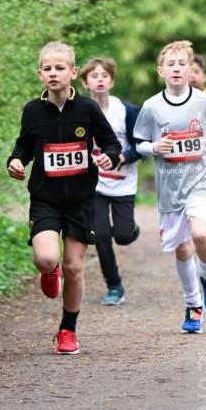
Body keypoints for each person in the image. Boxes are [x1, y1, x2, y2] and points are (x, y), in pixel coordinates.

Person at [7, 41, 122, 354]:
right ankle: (49, 270)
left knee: (74, 268)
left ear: (73, 73)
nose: (53, 73)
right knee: (47, 258)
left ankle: (68, 330)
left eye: (60, 68)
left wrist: (109, 158)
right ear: (40, 75)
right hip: (46, 198)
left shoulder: (87, 109)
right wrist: (15, 162)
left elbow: (112, 144)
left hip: (81, 200)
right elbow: (24, 147)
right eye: (48, 68)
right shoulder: (32, 110)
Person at [133, 40, 206, 334]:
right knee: (181, 249)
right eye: (171, 64)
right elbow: (138, 142)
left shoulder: (205, 102)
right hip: (169, 189)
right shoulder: (151, 107)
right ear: (160, 70)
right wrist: (154, 146)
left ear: (191, 70)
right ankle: (193, 307)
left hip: (201, 181)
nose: (177, 69)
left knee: (200, 234)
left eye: (183, 64)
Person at [80, 56, 142, 306]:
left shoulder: (126, 111)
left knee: (123, 235)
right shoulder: (79, 111)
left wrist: (121, 158)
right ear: (85, 82)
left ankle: (131, 229)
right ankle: (114, 285)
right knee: (101, 235)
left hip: (123, 183)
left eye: (104, 75)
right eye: (94, 76)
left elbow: (142, 146)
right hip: (94, 186)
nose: (100, 80)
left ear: (112, 81)